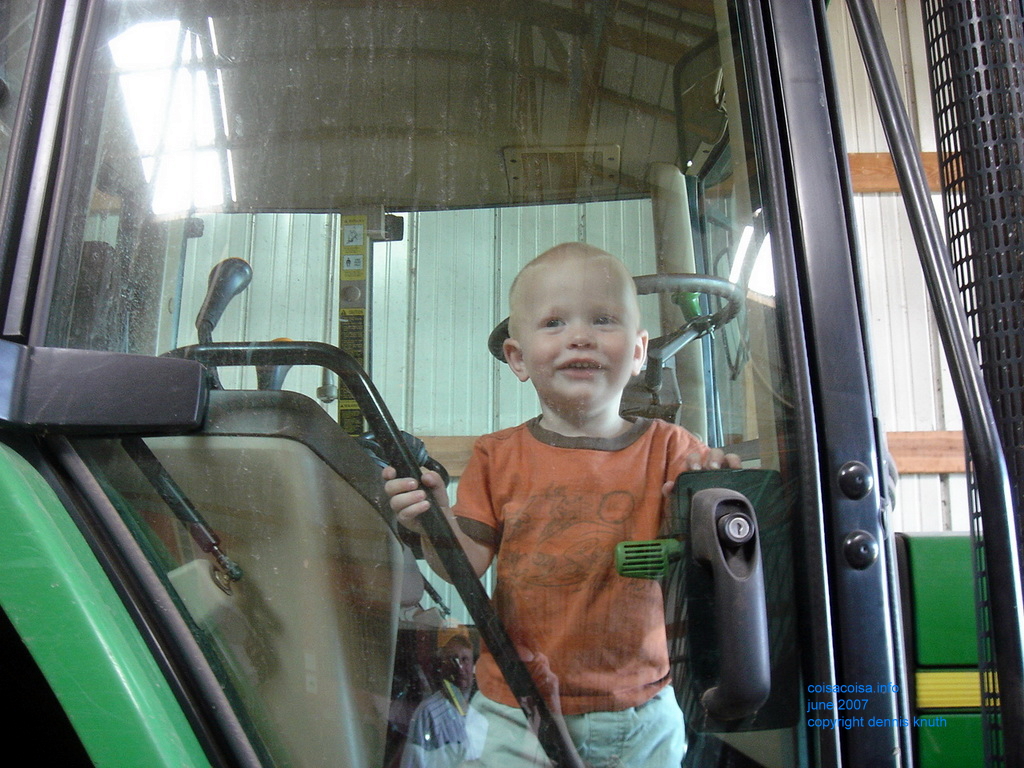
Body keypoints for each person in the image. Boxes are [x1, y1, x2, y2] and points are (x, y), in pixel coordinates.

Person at [384, 242, 740, 767]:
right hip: (516, 710)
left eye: (603, 319)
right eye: (554, 323)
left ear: (639, 352)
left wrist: (718, 491)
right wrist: (432, 520)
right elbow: (467, 564)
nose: (580, 335)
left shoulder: (674, 451)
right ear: (518, 358)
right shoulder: (496, 455)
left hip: (641, 710)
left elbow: (719, 553)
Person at [401, 633, 486, 768]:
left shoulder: (480, 717)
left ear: (473, 666)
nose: (460, 668)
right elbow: (412, 763)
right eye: (453, 660)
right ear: (443, 666)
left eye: (465, 660)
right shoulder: (428, 713)